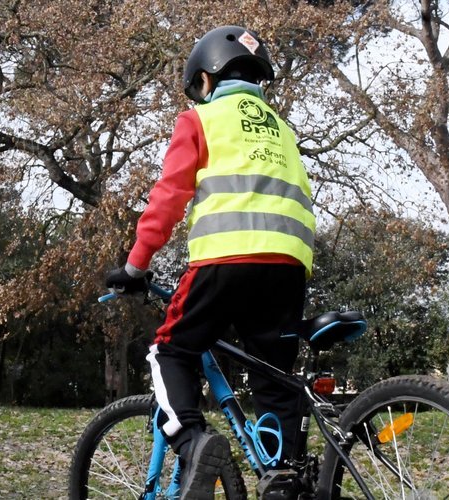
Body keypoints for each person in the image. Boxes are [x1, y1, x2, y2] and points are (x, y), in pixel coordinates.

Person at [104, 26, 315, 500]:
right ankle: (282, 482)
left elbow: (168, 198)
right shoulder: (283, 132)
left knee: (170, 352)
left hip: (226, 259)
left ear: (206, 78)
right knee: (274, 381)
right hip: (288, 268)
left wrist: (135, 267)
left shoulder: (201, 119)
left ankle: (194, 442)